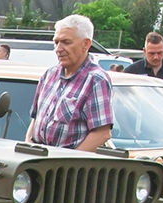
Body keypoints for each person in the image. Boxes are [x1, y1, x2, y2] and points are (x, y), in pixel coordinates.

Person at [27, 14, 114, 151]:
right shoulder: (48, 75)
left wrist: (65, 163)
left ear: (86, 44)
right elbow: (35, 119)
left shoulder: (96, 80)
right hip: (37, 164)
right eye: (56, 42)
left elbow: (102, 133)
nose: (59, 49)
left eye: (66, 42)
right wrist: (27, 148)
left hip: (68, 168)